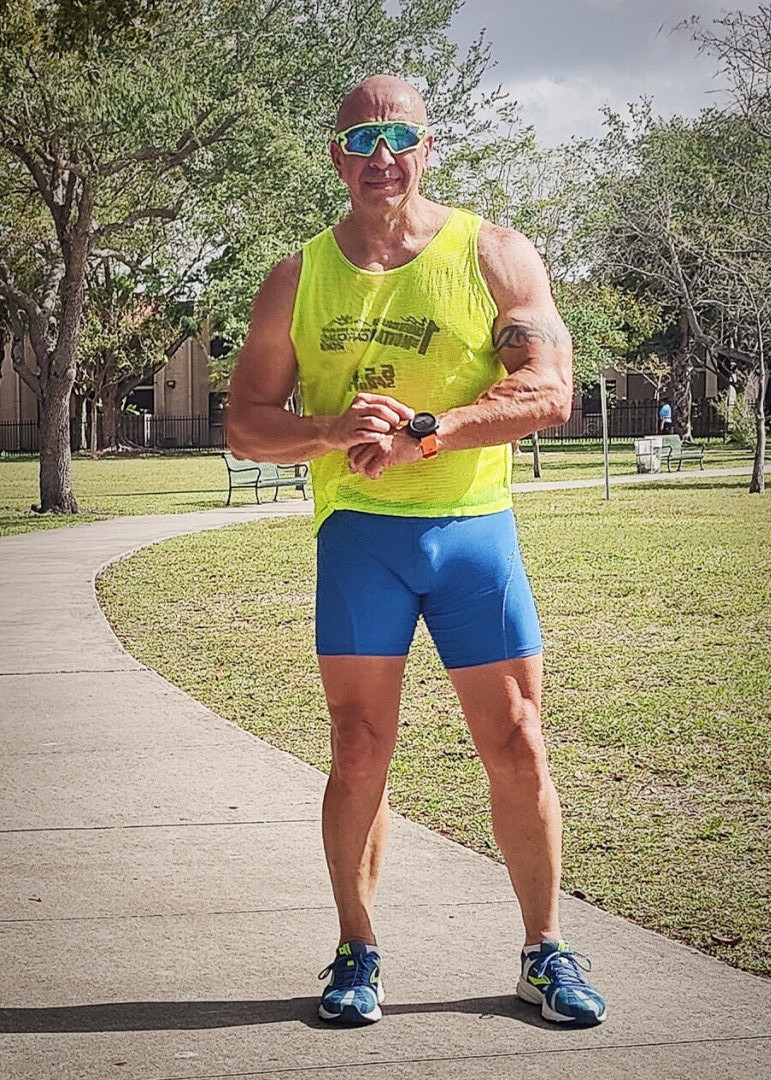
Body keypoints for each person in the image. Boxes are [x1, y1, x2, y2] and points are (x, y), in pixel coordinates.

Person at [227, 74, 606, 1028]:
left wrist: (425, 435)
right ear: (336, 157)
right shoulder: (296, 277)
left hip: (472, 533)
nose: (382, 157)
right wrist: (329, 428)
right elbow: (244, 423)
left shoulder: (493, 252)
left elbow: (549, 390)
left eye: (399, 137)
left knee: (517, 740)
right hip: (361, 537)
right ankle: (356, 949)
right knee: (358, 747)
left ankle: (545, 951)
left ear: (428, 147)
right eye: (361, 140)